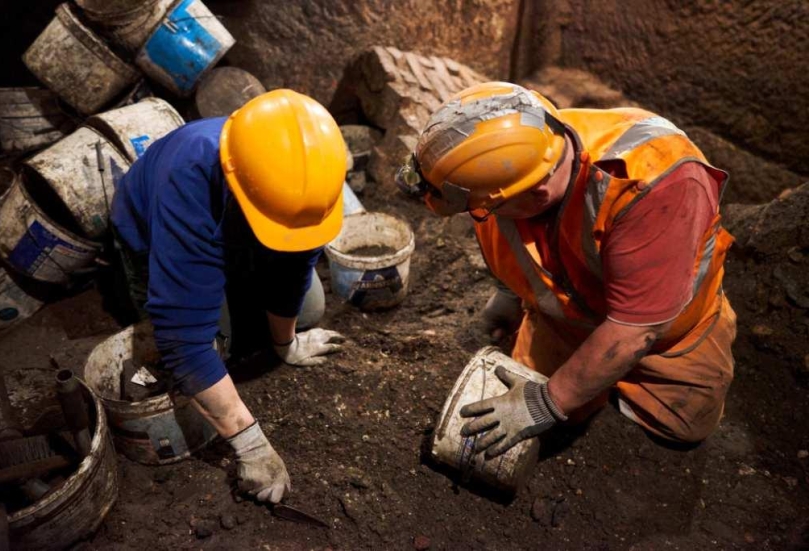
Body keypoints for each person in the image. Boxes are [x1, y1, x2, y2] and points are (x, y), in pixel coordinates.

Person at [397, 82, 737, 458]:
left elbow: (636, 331)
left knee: (682, 428)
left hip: (664, 336)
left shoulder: (655, 185)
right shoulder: (510, 163)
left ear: (536, 194)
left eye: (481, 210)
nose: (480, 217)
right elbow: (512, 234)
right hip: (566, 321)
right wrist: (509, 297)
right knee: (524, 400)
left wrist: (546, 402)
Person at [111, 89, 348, 503]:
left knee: (310, 307)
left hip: (244, 222)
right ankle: (214, 293)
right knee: (210, 352)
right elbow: (183, 340)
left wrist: (285, 345)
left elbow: (294, 270)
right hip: (155, 236)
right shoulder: (188, 181)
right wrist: (251, 445)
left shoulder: (311, 181)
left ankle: (233, 293)